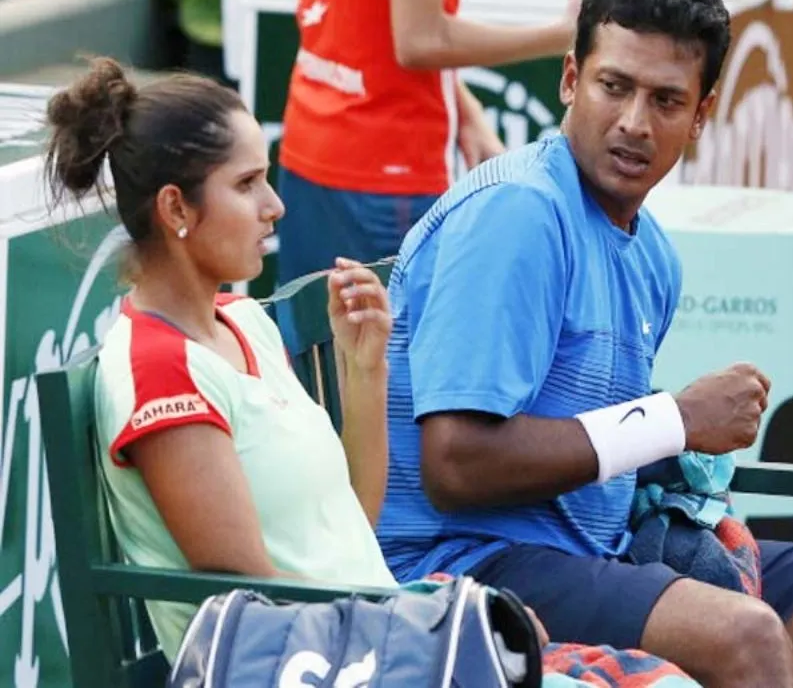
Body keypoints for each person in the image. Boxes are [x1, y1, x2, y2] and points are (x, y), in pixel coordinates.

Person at [42, 57, 703, 688]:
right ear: (176, 209)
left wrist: (366, 370)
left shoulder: (245, 323)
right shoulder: (159, 370)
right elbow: (258, 601)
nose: (275, 206)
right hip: (306, 660)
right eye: (247, 185)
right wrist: (427, 625)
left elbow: (353, 519)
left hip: (356, 635)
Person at [377, 0, 793, 686]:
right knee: (744, 638)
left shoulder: (652, 253)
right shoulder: (518, 214)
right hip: (464, 568)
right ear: (570, 79)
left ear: (703, 112)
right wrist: (673, 420)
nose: (633, 122)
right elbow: (456, 465)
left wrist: (669, 441)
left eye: (665, 100)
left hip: (597, 549)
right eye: (613, 86)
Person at [276, 0, 584, 287]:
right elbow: (421, 40)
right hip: (390, 167)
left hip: (313, 137)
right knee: (391, 332)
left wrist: (462, 107)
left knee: (311, 327)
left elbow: (374, 13)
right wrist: (566, 34)